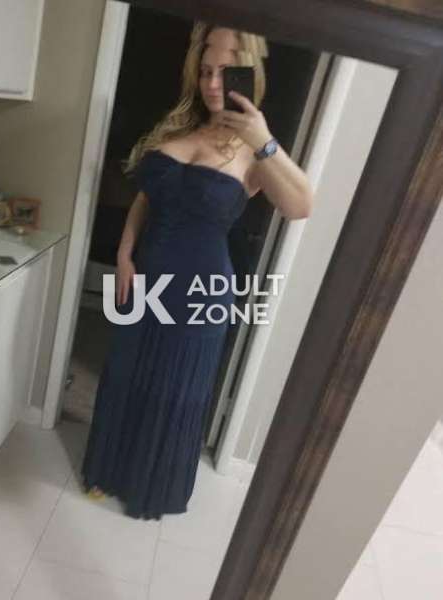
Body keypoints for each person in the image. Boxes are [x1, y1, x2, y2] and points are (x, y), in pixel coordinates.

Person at [80, 22, 312, 520]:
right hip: (144, 280)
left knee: (174, 390)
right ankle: (108, 470)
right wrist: (124, 255)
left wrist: (263, 140)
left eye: (226, 70)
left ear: (250, 72)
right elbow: (146, 198)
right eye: (206, 70)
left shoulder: (254, 150)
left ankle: (150, 489)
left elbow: (300, 205)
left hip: (201, 291)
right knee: (125, 373)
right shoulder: (176, 130)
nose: (212, 82)